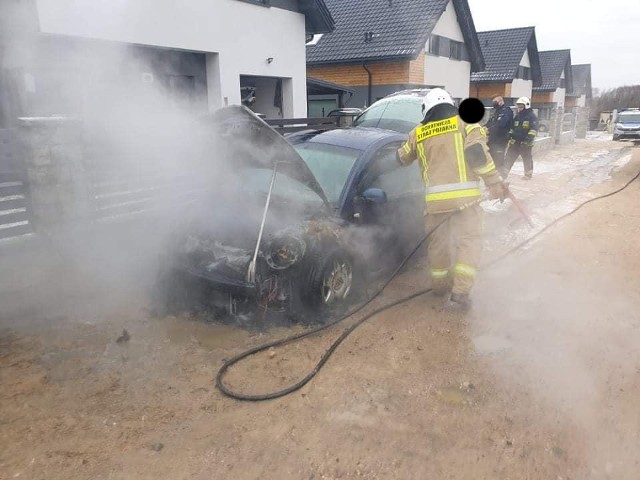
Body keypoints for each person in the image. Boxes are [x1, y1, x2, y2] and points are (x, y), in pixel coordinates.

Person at [396, 88, 507, 311]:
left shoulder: (418, 132)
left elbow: (401, 158)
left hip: (436, 204)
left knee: (438, 245)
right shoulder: (467, 123)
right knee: (469, 242)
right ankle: (460, 294)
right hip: (466, 202)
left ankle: (439, 286)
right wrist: (494, 183)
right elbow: (477, 154)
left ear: (426, 109)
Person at [502, 96, 537, 179]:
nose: (519, 108)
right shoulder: (517, 116)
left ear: (526, 105)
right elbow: (512, 128)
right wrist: (509, 135)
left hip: (525, 143)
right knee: (509, 158)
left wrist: (527, 140)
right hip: (515, 142)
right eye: (518, 106)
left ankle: (528, 175)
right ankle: (504, 173)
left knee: (527, 158)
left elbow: (534, 129)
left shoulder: (531, 116)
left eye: (521, 106)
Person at [485, 95, 513, 173]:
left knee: (498, 159)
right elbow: (489, 123)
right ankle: (493, 176)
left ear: (501, 101)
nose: (494, 104)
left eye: (495, 102)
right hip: (492, 140)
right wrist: (483, 128)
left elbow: (501, 124)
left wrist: (489, 130)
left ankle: (500, 178)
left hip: (500, 140)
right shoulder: (496, 112)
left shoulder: (506, 111)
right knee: (491, 159)